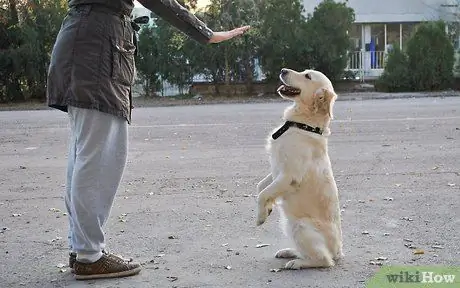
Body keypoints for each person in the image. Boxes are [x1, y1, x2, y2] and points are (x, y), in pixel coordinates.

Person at [46, 0, 250, 280]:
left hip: (84, 43)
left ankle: (82, 248)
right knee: (99, 158)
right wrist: (206, 33)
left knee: (85, 153)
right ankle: (89, 255)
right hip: (97, 52)